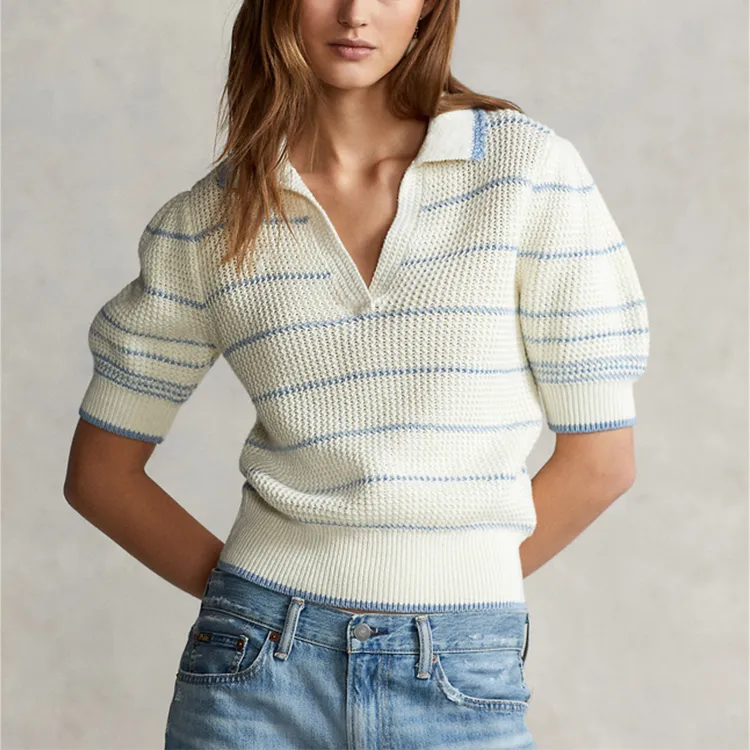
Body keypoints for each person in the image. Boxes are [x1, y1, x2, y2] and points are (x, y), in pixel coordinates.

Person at [64, 1, 650, 748]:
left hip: (458, 666)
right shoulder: (210, 222)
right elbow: (100, 475)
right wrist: (251, 605)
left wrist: (455, 599)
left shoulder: (525, 174)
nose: (355, 14)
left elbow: (602, 462)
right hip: (254, 674)